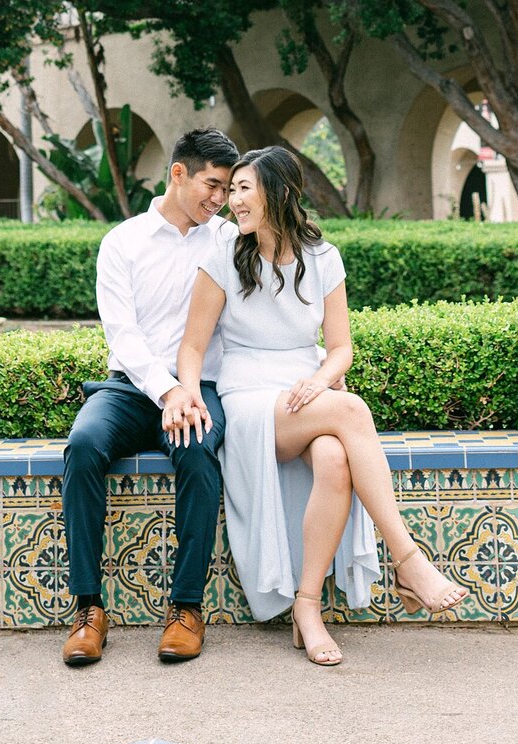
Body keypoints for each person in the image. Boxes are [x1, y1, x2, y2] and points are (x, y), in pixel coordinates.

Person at [170, 144, 466, 667]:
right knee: (351, 410)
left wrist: (320, 381)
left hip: (305, 388)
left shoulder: (324, 258)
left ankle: (307, 607)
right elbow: (192, 346)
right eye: (231, 190)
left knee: (334, 457)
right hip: (249, 397)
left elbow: (341, 349)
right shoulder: (221, 255)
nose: (233, 201)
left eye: (243, 189)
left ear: (278, 193)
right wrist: (189, 390)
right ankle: (409, 560)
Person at [60, 126, 240, 668]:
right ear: (178, 173)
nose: (219, 199)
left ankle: (186, 609)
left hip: (199, 389)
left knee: (198, 455)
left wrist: (186, 393)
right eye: (212, 184)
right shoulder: (123, 241)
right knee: (84, 447)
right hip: (132, 388)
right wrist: (165, 390)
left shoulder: (227, 240)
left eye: (227, 189)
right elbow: (123, 333)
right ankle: (89, 610)